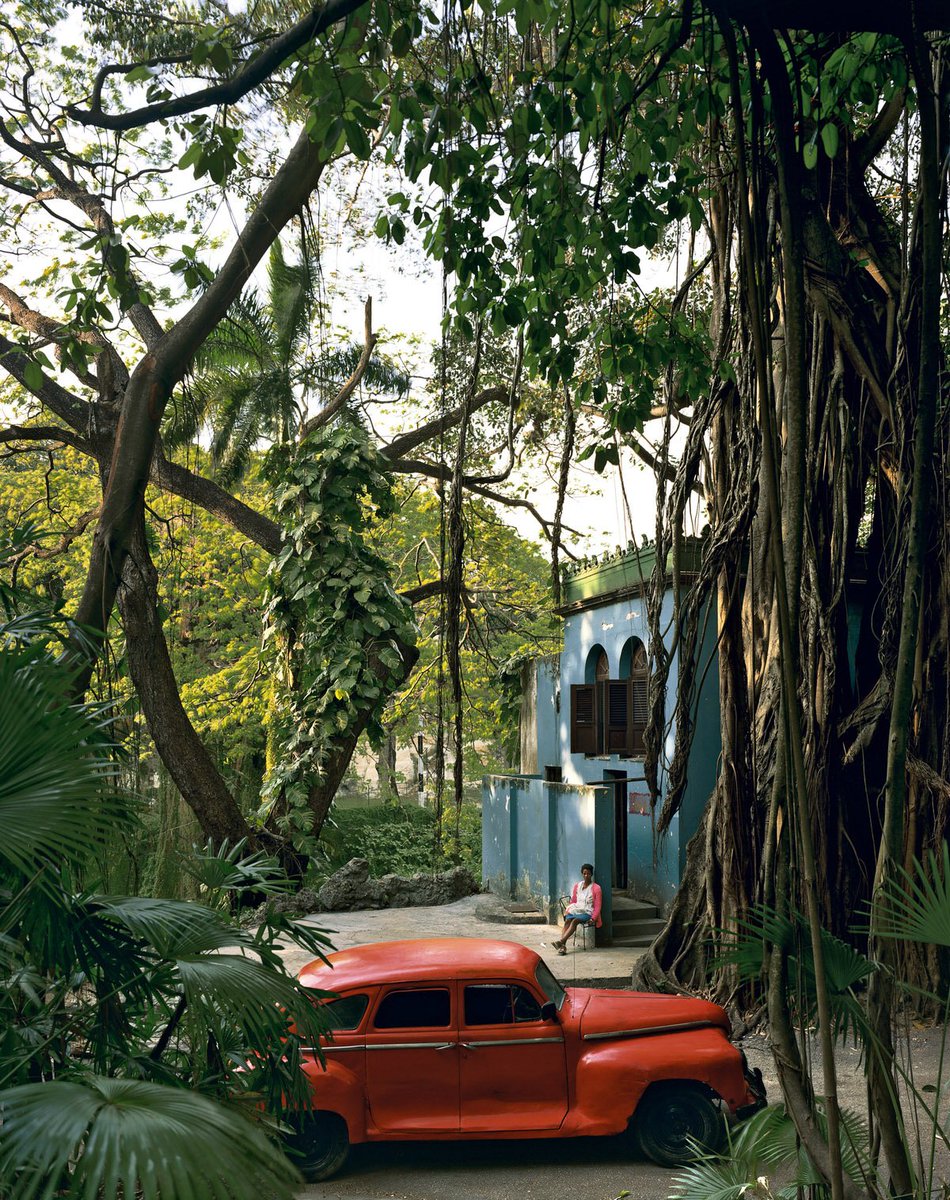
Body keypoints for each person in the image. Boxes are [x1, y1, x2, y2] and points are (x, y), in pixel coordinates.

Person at [553, 863, 602, 954]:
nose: (586, 875)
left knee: (575, 921)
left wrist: (593, 918)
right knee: (568, 921)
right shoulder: (577, 886)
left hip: (587, 912)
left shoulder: (596, 888)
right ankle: (563, 946)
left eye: (588, 874)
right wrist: (569, 910)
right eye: (584, 873)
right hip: (577, 909)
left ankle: (562, 942)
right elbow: (574, 901)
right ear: (582, 874)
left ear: (591, 874)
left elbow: (598, 906)